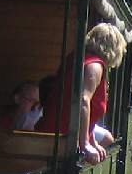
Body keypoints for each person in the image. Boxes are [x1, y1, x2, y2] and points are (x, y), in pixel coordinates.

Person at [34, 22, 127, 164]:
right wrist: (85, 144)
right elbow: (83, 101)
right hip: (59, 142)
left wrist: (92, 141)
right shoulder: (94, 66)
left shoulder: (81, 59)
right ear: (114, 48)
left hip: (57, 137)